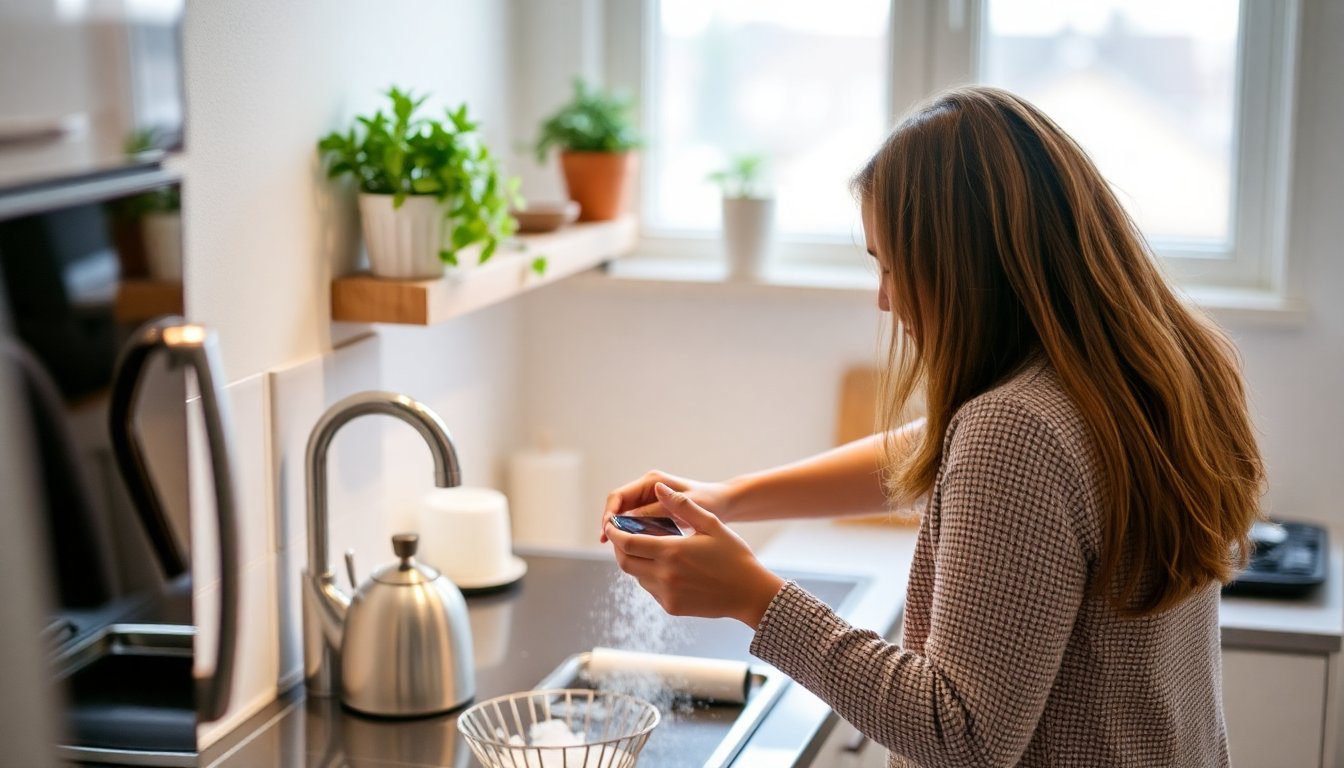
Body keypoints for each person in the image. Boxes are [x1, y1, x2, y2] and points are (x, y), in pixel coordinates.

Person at [600, 86, 1263, 768]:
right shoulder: (1165, 368)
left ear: (969, 267)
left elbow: (961, 737)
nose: (884, 300)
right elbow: (935, 447)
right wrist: (728, 497)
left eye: (894, 267)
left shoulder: (1016, 429)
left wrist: (753, 597)